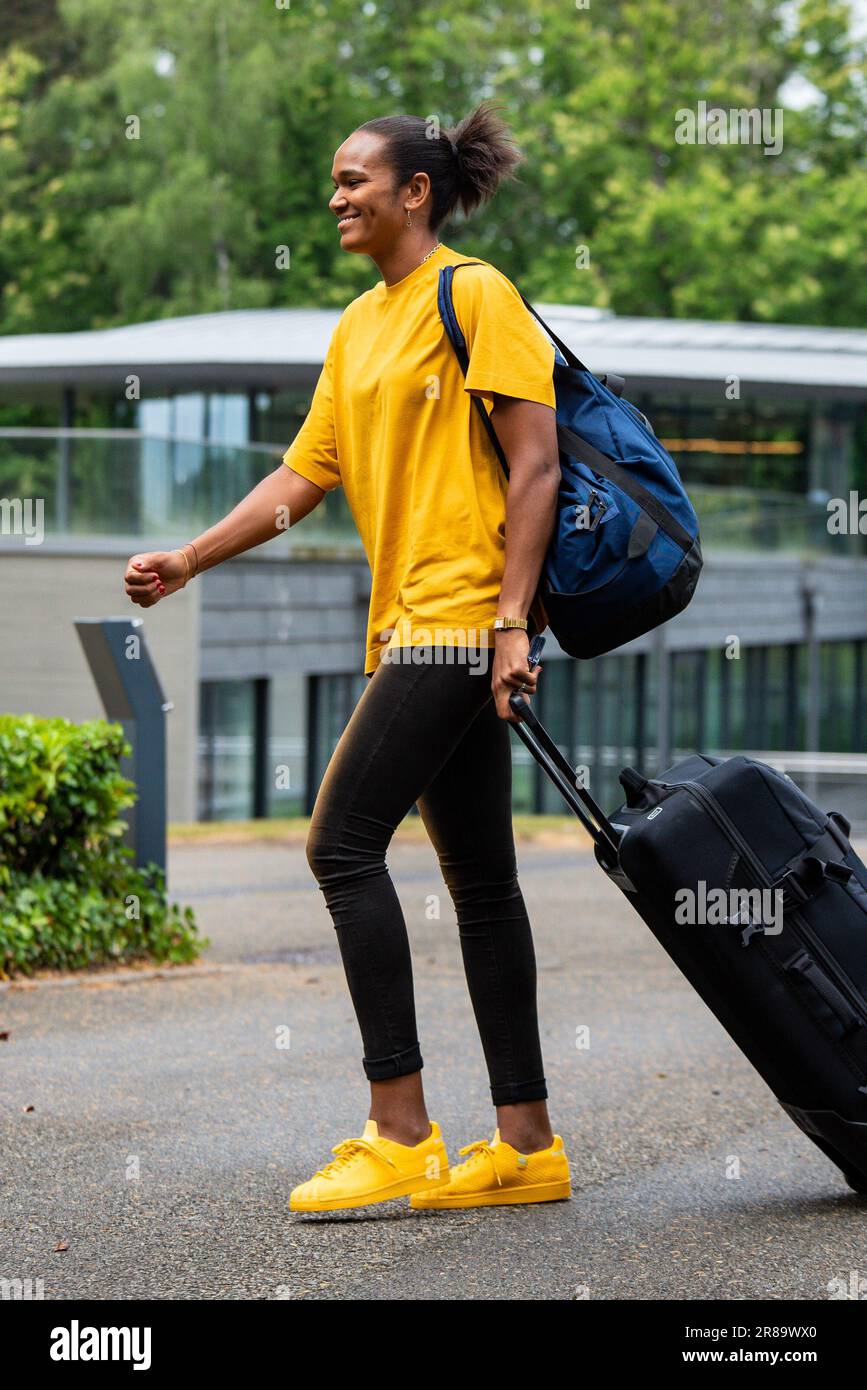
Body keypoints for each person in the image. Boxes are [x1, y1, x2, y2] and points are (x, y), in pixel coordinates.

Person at [124, 102, 571, 1213]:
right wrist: (192, 556)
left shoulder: (478, 296)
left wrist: (513, 621)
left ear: (415, 191)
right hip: (414, 622)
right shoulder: (358, 326)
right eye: (332, 182)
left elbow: (537, 467)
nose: (336, 197)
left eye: (354, 179)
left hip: (461, 617)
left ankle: (401, 1127)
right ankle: (527, 1144)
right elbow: (301, 480)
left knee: (339, 844)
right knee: (480, 880)